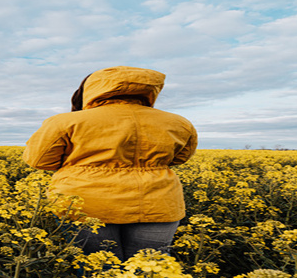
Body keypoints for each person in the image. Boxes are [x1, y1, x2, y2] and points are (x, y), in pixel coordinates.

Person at [23, 66, 197, 261]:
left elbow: (38, 160)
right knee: (151, 271)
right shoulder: (179, 123)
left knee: (99, 267)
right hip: (157, 204)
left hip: (86, 205)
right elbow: (180, 158)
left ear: (92, 88)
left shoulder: (65, 122)